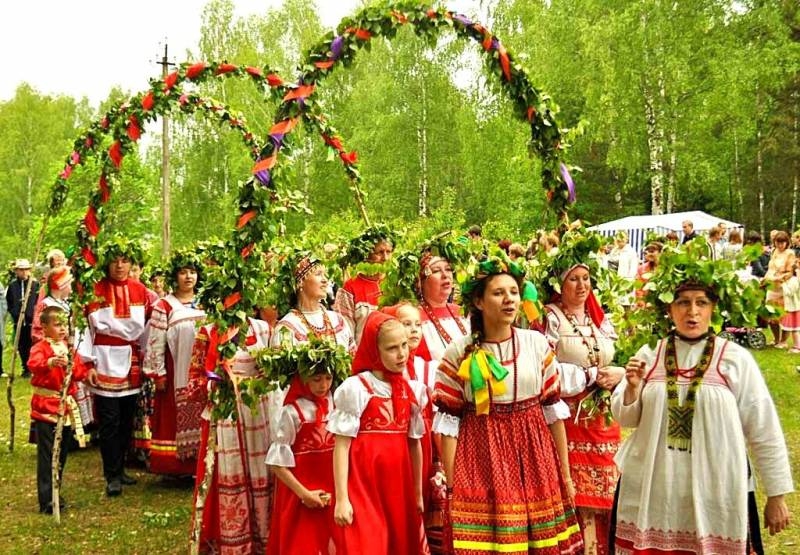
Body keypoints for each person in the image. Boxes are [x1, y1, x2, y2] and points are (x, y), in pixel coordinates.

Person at [612, 277, 793, 553]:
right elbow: (626, 418)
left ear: (713, 308)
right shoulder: (650, 353)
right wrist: (632, 389)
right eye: (683, 302)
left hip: (716, 487)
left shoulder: (734, 359)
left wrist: (776, 495)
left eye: (701, 303)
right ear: (668, 309)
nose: (692, 311)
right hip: (655, 489)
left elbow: (763, 426)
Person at [434, 254, 583, 554]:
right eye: (498, 293)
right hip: (480, 455)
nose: (509, 300)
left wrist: (564, 474)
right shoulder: (458, 352)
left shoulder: (536, 344)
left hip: (534, 453)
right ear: (479, 301)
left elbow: (553, 413)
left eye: (514, 292)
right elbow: (448, 424)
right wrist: (453, 485)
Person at [328, 311, 430, 554]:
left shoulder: (412, 390)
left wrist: (417, 492)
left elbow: (414, 444)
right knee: (369, 542)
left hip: (398, 485)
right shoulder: (357, 387)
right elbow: (341, 446)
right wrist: (342, 498)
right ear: (375, 351)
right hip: (363, 484)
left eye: (404, 345)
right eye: (392, 348)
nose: (402, 353)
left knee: (399, 543)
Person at [187, 315, 274, 554]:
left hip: (258, 413)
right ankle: (234, 541)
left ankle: (264, 538)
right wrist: (217, 383)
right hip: (226, 416)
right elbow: (194, 384)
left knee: (262, 471)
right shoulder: (208, 332)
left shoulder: (263, 329)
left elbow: (274, 373)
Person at [77, 240, 152, 497]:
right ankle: (111, 474)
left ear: (131, 264)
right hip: (104, 358)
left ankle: (121, 469)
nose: (120, 266)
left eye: (125, 260)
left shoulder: (141, 290)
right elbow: (84, 328)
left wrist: (147, 360)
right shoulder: (96, 290)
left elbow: (147, 330)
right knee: (109, 420)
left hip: (130, 359)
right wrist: (87, 363)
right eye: (115, 260)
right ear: (106, 263)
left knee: (127, 419)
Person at [142, 251, 206, 476]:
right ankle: (177, 467)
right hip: (176, 368)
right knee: (174, 418)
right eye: (182, 272)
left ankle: (202, 463)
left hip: (204, 372)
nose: (188, 277)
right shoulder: (164, 305)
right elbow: (155, 342)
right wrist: (158, 373)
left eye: (193, 272)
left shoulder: (206, 301)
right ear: (174, 276)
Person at [266, 370, 336, 555]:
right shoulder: (292, 412)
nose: (324, 385)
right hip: (301, 492)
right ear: (303, 379)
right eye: (317, 379)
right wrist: (304, 494)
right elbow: (277, 464)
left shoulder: (336, 404)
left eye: (328, 378)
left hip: (332, 488)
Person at [27, 306, 88, 514]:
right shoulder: (41, 348)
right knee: (47, 453)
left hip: (65, 407)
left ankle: (55, 490)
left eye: (64, 324)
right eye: (57, 324)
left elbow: (79, 372)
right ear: (44, 327)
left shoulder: (68, 347)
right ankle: (46, 499)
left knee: (61, 453)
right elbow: (34, 364)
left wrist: (75, 366)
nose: (62, 329)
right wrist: (50, 362)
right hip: (47, 407)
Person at [333, 226, 394, 344]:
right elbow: (345, 333)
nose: (385, 258)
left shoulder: (395, 283)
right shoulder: (350, 287)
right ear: (367, 255)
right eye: (380, 252)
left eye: (389, 252)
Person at [416, 252, 470, 366]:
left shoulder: (464, 312)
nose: (445, 275)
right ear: (420, 282)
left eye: (448, 269)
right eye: (436, 271)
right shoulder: (413, 316)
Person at [6, 258, 40, 377]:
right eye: (21, 270)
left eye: (26, 270)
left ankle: (34, 367)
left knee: (33, 344)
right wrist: (15, 313)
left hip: (32, 320)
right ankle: (25, 368)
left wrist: (33, 314)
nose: (24, 272)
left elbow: (38, 301)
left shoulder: (35, 285)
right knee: (21, 344)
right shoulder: (13, 286)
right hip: (18, 320)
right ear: (16, 271)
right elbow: (9, 301)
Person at [763, 231, 796, 348]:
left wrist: (779, 278)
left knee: (783, 315)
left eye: (783, 242)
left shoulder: (790, 254)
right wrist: (765, 279)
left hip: (783, 287)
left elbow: (790, 272)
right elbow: (770, 268)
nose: (780, 245)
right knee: (771, 315)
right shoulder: (774, 251)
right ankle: (776, 339)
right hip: (771, 286)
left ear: (787, 242)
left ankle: (783, 341)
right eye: (778, 242)